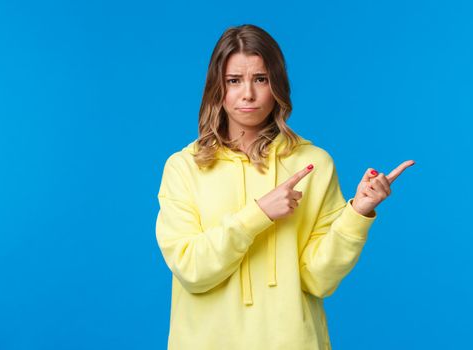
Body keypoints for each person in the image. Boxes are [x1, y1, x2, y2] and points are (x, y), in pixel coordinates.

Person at [155, 24, 415, 350]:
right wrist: (258, 213)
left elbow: (317, 280)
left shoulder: (313, 164)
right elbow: (192, 270)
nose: (247, 93)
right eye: (234, 81)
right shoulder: (184, 167)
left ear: (276, 84)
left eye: (260, 79)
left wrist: (358, 213)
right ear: (216, 88)